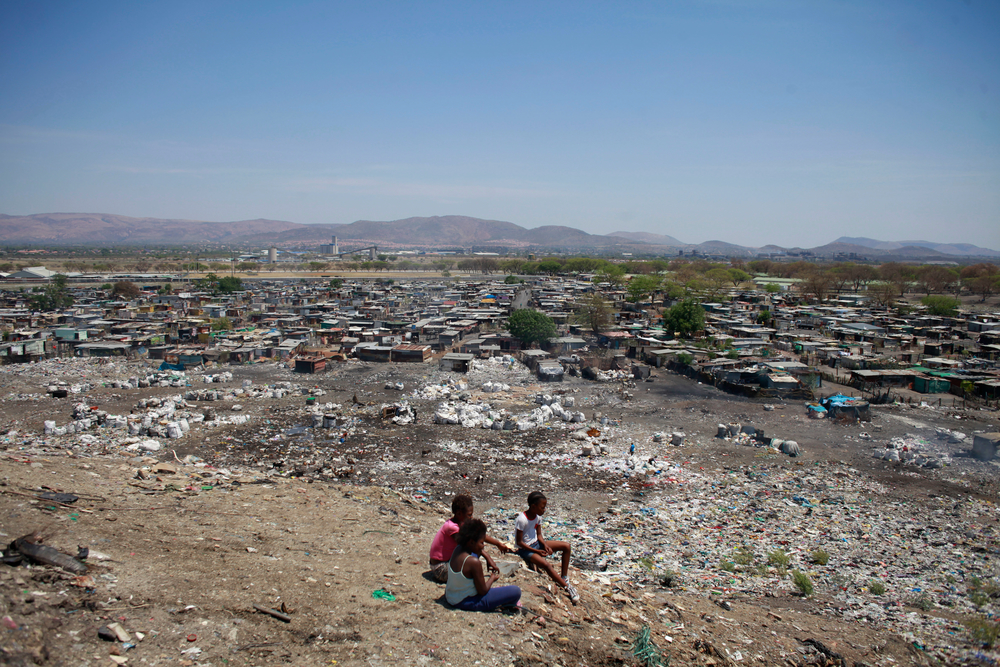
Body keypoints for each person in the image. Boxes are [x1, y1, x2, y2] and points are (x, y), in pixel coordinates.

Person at [429, 494, 510, 583]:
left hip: (447, 561)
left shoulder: (461, 523)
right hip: (440, 568)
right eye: (469, 515)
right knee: (473, 554)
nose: (471, 517)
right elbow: (467, 545)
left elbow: (478, 535)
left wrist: (498, 544)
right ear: (459, 513)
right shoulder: (451, 527)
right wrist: (487, 557)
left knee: (475, 551)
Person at [515, 491, 579, 603]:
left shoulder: (537, 517)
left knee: (566, 546)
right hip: (525, 549)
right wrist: (536, 551)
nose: (544, 510)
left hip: (536, 544)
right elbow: (519, 542)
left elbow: (539, 535)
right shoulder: (522, 519)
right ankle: (568, 588)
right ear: (533, 506)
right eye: (542, 507)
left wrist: (544, 545)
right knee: (546, 565)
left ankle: (564, 577)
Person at [446, 519, 521, 612]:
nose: (483, 545)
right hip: (467, 601)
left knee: (475, 553)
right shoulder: (473, 562)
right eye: (481, 542)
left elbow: (477, 551)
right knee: (516, 591)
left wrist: (488, 558)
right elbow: (483, 591)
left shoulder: (458, 549)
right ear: (472, 542)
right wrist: (492, 578)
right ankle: (507, 605)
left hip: (451, 596)